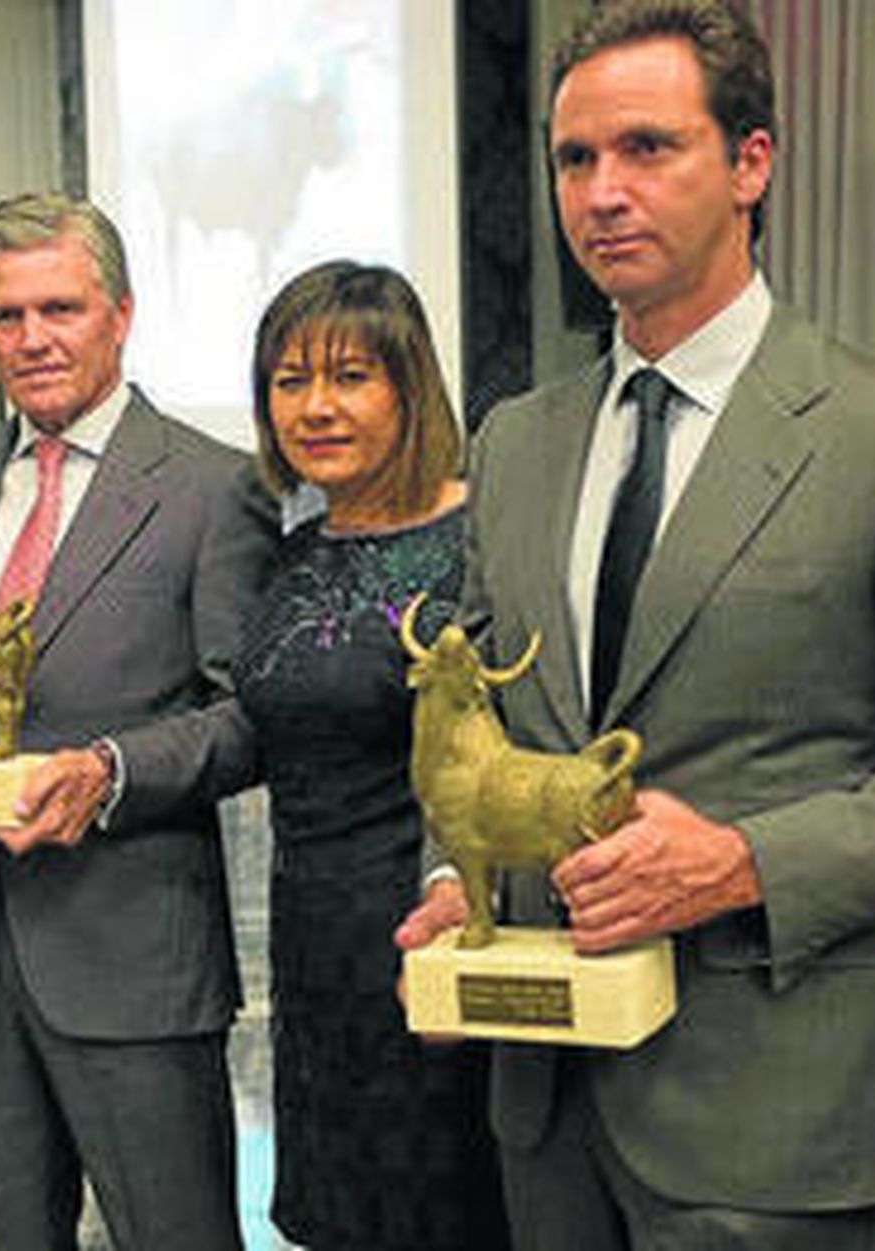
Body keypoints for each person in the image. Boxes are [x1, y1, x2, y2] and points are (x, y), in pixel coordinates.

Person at [395, 2, 875, 1248]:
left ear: (752, 162)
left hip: (775, 1118)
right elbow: (472, 723)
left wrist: (744, 864)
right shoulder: (518, 444)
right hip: (549, 1086)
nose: (601, 193)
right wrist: (448, 878)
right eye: (575, 158)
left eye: (647, 148)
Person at [0, 191, 275, 1250]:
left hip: (132, 953)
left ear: (121, 314)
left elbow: (246, 720)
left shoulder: (210, 487)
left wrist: (108, 771)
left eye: (61, 308)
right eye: (7, 317)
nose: (33, 339)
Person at [232, 260, 506, 1250]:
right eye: (289, 380)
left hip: (430, 927)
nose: (316, 406)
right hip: (309, 951)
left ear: (408, 386)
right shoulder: (294, 548)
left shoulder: (483, 540)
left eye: (349, 377)